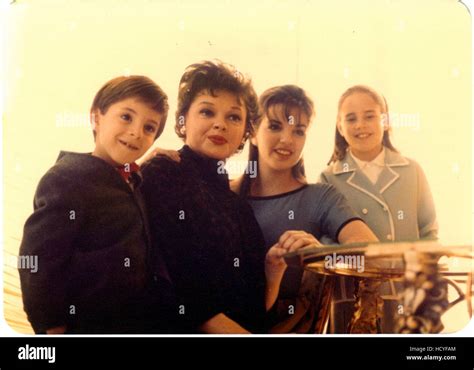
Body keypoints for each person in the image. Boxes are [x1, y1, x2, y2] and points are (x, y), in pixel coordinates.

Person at [141, 61, 309, 334]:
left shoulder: (236, 205)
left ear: (245, 131)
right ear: (183, 121)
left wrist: (273, 270)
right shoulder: (163, 172)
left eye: (233, 117)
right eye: (207, 111)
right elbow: (181, 291)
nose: (220, 124)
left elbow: (256, 310)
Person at [19, 75, 175, 334]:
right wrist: (52, 327)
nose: (136, 132)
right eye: (126, 117)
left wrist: (147, 161)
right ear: (96, 117)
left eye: (149, 128)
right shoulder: (68, 177)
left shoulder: (131, 179)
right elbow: (37, 260)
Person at [233, 85, 379, 333]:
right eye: (275, 126)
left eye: (298, 131)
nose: (287, 140)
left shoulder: (321, 197)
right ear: (253, 133)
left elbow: (375, 254)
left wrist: (322, 256)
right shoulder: (223, 195)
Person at [320, 84, 438, 333]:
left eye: (369, 116)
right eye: (351, 119)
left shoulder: (411, 171)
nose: (360, 125)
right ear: (340, 127)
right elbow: (325, 243)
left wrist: (427, 294)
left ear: (385, 121)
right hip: (351, 300)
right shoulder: (329, 177)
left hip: (406, 296)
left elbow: (429, 233)